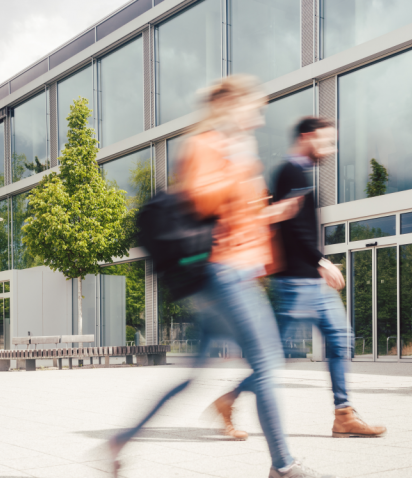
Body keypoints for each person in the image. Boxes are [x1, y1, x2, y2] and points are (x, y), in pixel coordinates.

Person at [109, 78, 337, 478]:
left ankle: (123, 439)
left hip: (234, 273)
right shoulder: (208, 145)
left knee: (193, 376)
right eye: (255, 108)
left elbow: (240, 219)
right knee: (267, 362)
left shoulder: (230, 149)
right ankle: (283, 466)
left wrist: (270, 215)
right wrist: (238, 167)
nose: (260, 117)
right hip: (222, 272)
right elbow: (202, 198)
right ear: (232, 106)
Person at [210, 117, 387, 441]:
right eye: (326, 141)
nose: (330, 149)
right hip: (293, 283)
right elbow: (292, 228)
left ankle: (344, 414)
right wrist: (320, 260)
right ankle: (228, 400)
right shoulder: (289, 172)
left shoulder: (300, 172)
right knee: (274, 357)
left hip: (311, 283)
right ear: (307, 136)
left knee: (340, 340)